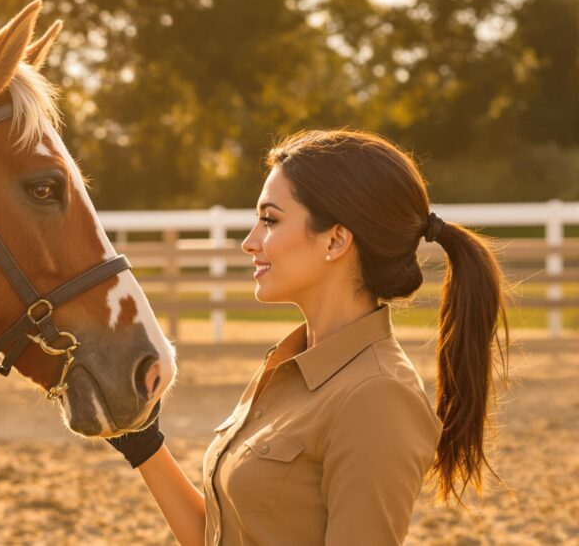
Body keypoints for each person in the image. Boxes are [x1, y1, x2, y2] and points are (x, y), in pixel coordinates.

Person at [106, 129, 510, 545]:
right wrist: (142, 441)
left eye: (270, 220)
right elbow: (221, 536)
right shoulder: (291, 367)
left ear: (335, 240)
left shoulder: (377, 397)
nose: (250, 242)